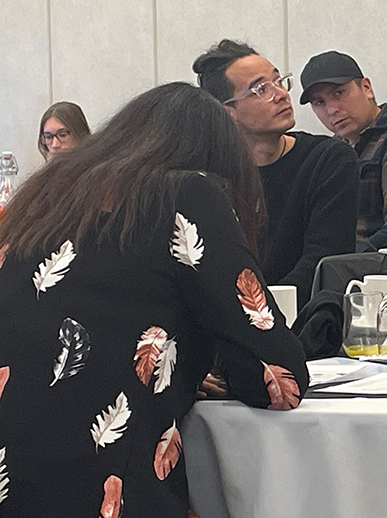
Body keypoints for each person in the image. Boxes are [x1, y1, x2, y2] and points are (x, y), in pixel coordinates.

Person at [0, 83, 307, 517]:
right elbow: (278, 378)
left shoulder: (45, 194)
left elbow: (78, 316)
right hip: (97, 484)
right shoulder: (186, 194)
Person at [193, 40, 359, 308]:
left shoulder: (329, 159)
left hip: (305, 320)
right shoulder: (208, 178)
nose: (281, 94)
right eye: (260, 89)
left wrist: (264, 313)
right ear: (228, 112)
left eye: (278, 81)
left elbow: (323, 262)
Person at [300, 50, 387, 252]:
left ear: (366, 88)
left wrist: (337, 262)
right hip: (334, 266)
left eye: (338, 93)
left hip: (378, 271)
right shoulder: (328, 152)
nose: (331, 110)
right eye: (319, 102)